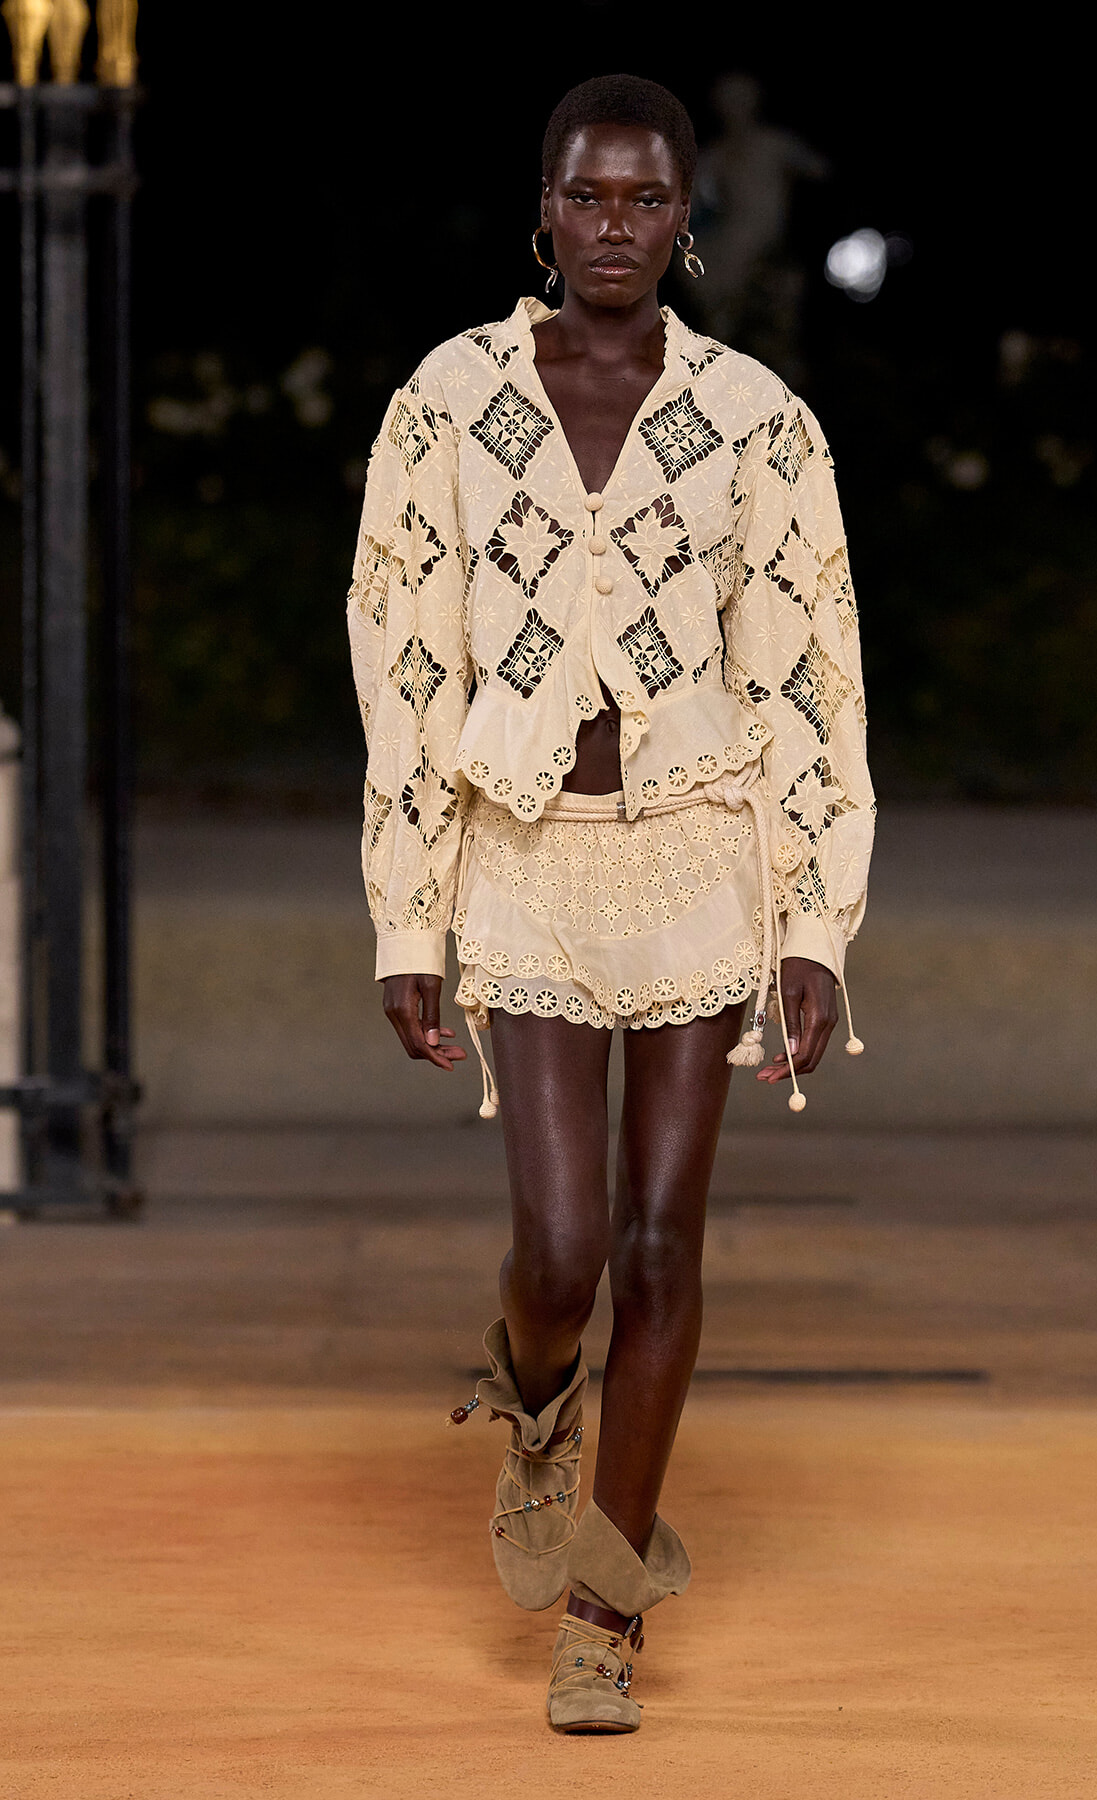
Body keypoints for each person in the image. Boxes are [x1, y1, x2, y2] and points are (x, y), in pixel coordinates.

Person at [346, 73, 874, 1735]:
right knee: (563, 1248)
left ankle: (606, 1607)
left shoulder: (756, 420)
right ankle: (532, 1394)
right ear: (545, 208)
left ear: (686, 219)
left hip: (699, 849)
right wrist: (407, 917)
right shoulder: (449, 400)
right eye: (590, 196)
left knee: (661, 1245)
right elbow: (399, 655)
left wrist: (811, 924)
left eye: (648, 201)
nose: (616, 227)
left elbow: (808, 676)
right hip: (523, 847)